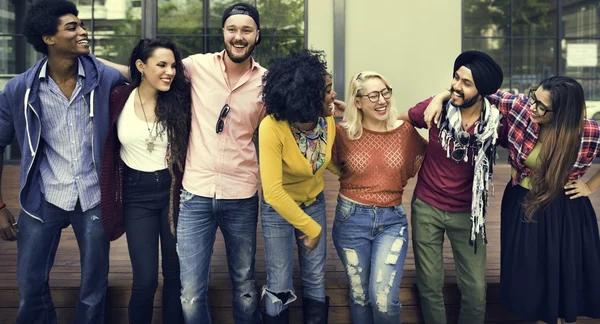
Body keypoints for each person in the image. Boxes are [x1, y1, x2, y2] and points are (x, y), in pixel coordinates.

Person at [101, 3, 267, 323]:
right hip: (189, 194)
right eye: (232, 29)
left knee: (238, 283)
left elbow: (293, 108)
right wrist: (83, 59)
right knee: (174, 287)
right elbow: (144, 72)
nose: (238, 36)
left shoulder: (265, 83)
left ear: (257, 35)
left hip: (232, 192)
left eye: (246, 30)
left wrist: (329, 106)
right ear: (223, 33)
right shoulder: (195, 67)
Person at [0, 0, 125, 323]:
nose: (83, 31)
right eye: (72, 28)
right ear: (48, 38)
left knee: (94, 287)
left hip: (94, 196)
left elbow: (145, 74)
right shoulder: (19, 90)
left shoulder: (106, 78)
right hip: (43, 197)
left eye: (82, 25)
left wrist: (92, 57)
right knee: (29, 284)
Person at [475, 77, 600, 324]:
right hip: (522, 202)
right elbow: (479, 89)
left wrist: (589, 186)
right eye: (534, 97)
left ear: (562, 113)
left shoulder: (588, 131)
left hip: (565, 208)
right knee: (528, 267)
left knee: (559, 265)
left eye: (541, 106)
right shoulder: (522, 108)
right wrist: (439, 99)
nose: (533, 107)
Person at [399, 50, 504, 324]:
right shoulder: (436, 109)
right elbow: (399, 122)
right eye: (456, 77)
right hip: (427, 207)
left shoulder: (495, 123)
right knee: (429, 284)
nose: (456, 85)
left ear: (482, 90)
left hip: (468, 214)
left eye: (466, 83)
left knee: (476, 290)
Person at [100, 38, 191, 324]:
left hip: (172, 193)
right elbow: (92, 66)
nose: (170, 71)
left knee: (175, 277)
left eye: (173, 65)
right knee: (145, 280)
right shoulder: (118, 97)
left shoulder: (180, 100)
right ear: (140, 66)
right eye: (161, 65)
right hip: (135, 194)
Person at [332, 71, 426, 324]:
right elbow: (326, 163)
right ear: (358, 101)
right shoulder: (342, 133)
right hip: (350, 220)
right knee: (360, 295)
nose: (381, 100)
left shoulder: (404, 132)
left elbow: (430, 159)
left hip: (391, 221)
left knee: (383, 298)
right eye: (373, 95)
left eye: (385, 92)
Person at [259, 49, 339, 323]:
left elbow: (321, 160)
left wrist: (351, 174)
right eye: (327, 90)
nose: (333, 94)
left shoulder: (327, 120)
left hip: (313, 201)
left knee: (316, 278)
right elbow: (273, 192)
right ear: (307, 95)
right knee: (280, 283)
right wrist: (311, 228)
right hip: (278, 209)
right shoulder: (272, 127)